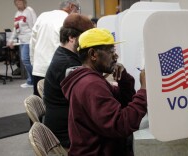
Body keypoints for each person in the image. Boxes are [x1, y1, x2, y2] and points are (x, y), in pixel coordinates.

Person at [61, 28, 147, 156]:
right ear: (93, 54)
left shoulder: (91, 79)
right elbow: (121, 125)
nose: (115, 56)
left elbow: (123, 100)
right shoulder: (91, 84)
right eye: (111, 51)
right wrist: (144, 89)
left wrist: (123, 77)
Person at [43, 13, 94, 148]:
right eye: (86, 37)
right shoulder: (68, 64)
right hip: (67, 133)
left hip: (63, 123)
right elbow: (89, 98)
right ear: (71, 38)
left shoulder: (64, 54)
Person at [30, 0, 80, 96]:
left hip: (39, 69)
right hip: (59, 70)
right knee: (60, 103)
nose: (78, 13)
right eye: (78, 10)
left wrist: (34, 64)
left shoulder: (43, 16)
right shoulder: (69, 20)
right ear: (71, 6)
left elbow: (32, 43)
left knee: (41, 105)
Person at [8, 0, 37, 88]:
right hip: (22, 40)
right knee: (26, 61)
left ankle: (33, 80)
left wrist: (35, 39)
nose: (18, 4)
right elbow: (15, 28)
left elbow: (34, 25)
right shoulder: (17, 14)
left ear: (24, 2)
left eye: (20, 2)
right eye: (16, 3)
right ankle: (31, 80)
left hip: (29, 39)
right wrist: (11, 39)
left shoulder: (29, 11)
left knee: (26, 60)